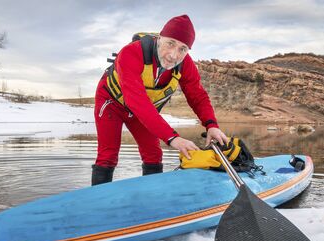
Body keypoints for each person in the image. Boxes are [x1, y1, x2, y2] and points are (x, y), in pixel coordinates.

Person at [92, 14, 228, 185]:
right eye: (170, 43)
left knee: (153, 155)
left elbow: (197, 96)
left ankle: (153, 197)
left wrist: (211, 125)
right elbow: (137, 101)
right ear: (159, 38)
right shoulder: (131, 53)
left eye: (182, 49)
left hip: (144, 111)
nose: (173, 55)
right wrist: (173, 138)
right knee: (108, 155)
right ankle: (99, 201)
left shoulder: (186, 65)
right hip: (111, 103)